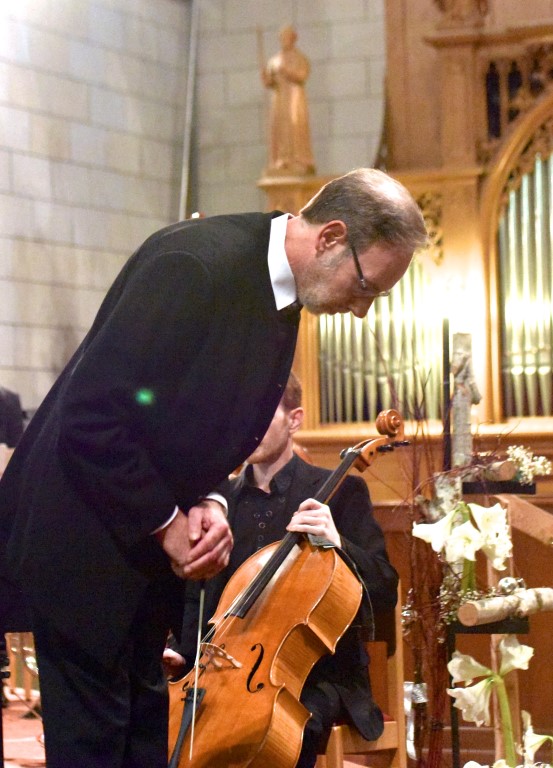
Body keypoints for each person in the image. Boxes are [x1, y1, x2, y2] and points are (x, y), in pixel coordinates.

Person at [0, 167, 427, 768]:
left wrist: (210, 501)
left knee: (144, 746)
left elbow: (191, 423)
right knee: (97, 751)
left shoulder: (280, 294)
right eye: (367, 286)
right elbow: (93, 420)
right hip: (81, 547)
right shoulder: (196, 267)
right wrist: (168, 523)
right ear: (331, 236)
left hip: (135, 560)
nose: (361, 311)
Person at [166, 371, 399, 768]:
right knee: (163, 726)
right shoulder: (223, 503)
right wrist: (182, 654)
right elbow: (200, 592)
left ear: (295, 420)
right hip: (223, 675)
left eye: (262, 415)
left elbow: (385, 587)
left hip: (317, 676)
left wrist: (338, 543)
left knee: (276, 726)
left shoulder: (339, 490)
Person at [261, 25, 316, 175]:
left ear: (293, 39)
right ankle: (281, 160)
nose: (285, 41)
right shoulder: (274, 60)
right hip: (279, 99)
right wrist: (266, 78)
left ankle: (298, 159)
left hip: (294, 98)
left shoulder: (300, 58)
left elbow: (302, 75)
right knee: (279, 126)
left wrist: (287, 71)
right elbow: (269, 82)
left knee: (294, 126)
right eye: (282, 38)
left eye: (287, 37)